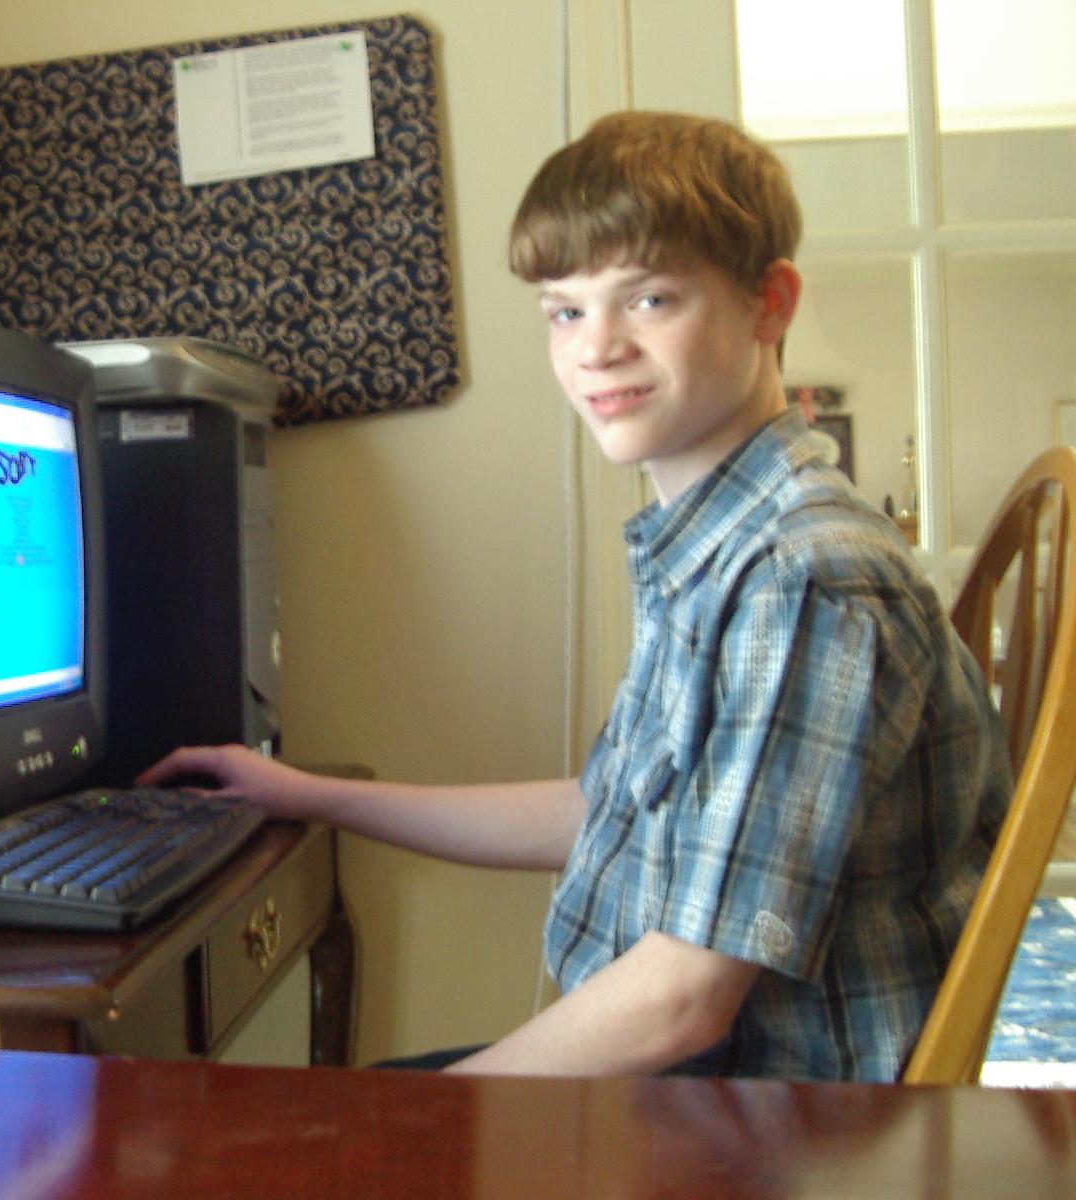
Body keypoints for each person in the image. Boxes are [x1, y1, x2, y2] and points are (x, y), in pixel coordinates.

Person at [138, 111, 1011, 1083]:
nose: (595, 349)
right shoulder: (719, 543)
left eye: (648, 300)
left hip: (786, 1123)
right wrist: (304, 794)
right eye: (565, 310)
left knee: (292, 1136)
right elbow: (606, 811)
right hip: (702, 1079)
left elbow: (682, 998)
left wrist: (420, 1119)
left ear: (769, 303)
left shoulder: (802, 578)